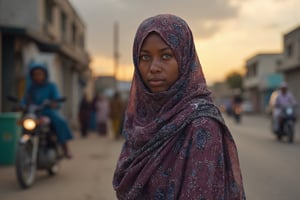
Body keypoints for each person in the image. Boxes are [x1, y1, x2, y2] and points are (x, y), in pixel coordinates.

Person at [113, 14, 245, 199]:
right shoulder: (140, 120)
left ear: (184, 59)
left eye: (166, 56)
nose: (153, 67)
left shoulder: (201, 126)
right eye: (145, 57)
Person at [23, 63, 73, 158]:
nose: (37, 76)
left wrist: (55, 103)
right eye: (35, 74)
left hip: (48, 111)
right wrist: (21, 105)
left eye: (40, 74)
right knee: (23, 121)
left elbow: (57, 97)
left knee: (60, 121)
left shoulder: (51, 86)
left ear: (45, 75)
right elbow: (25, 99)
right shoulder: (31, 87)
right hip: (34, 113)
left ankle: (65, 147)